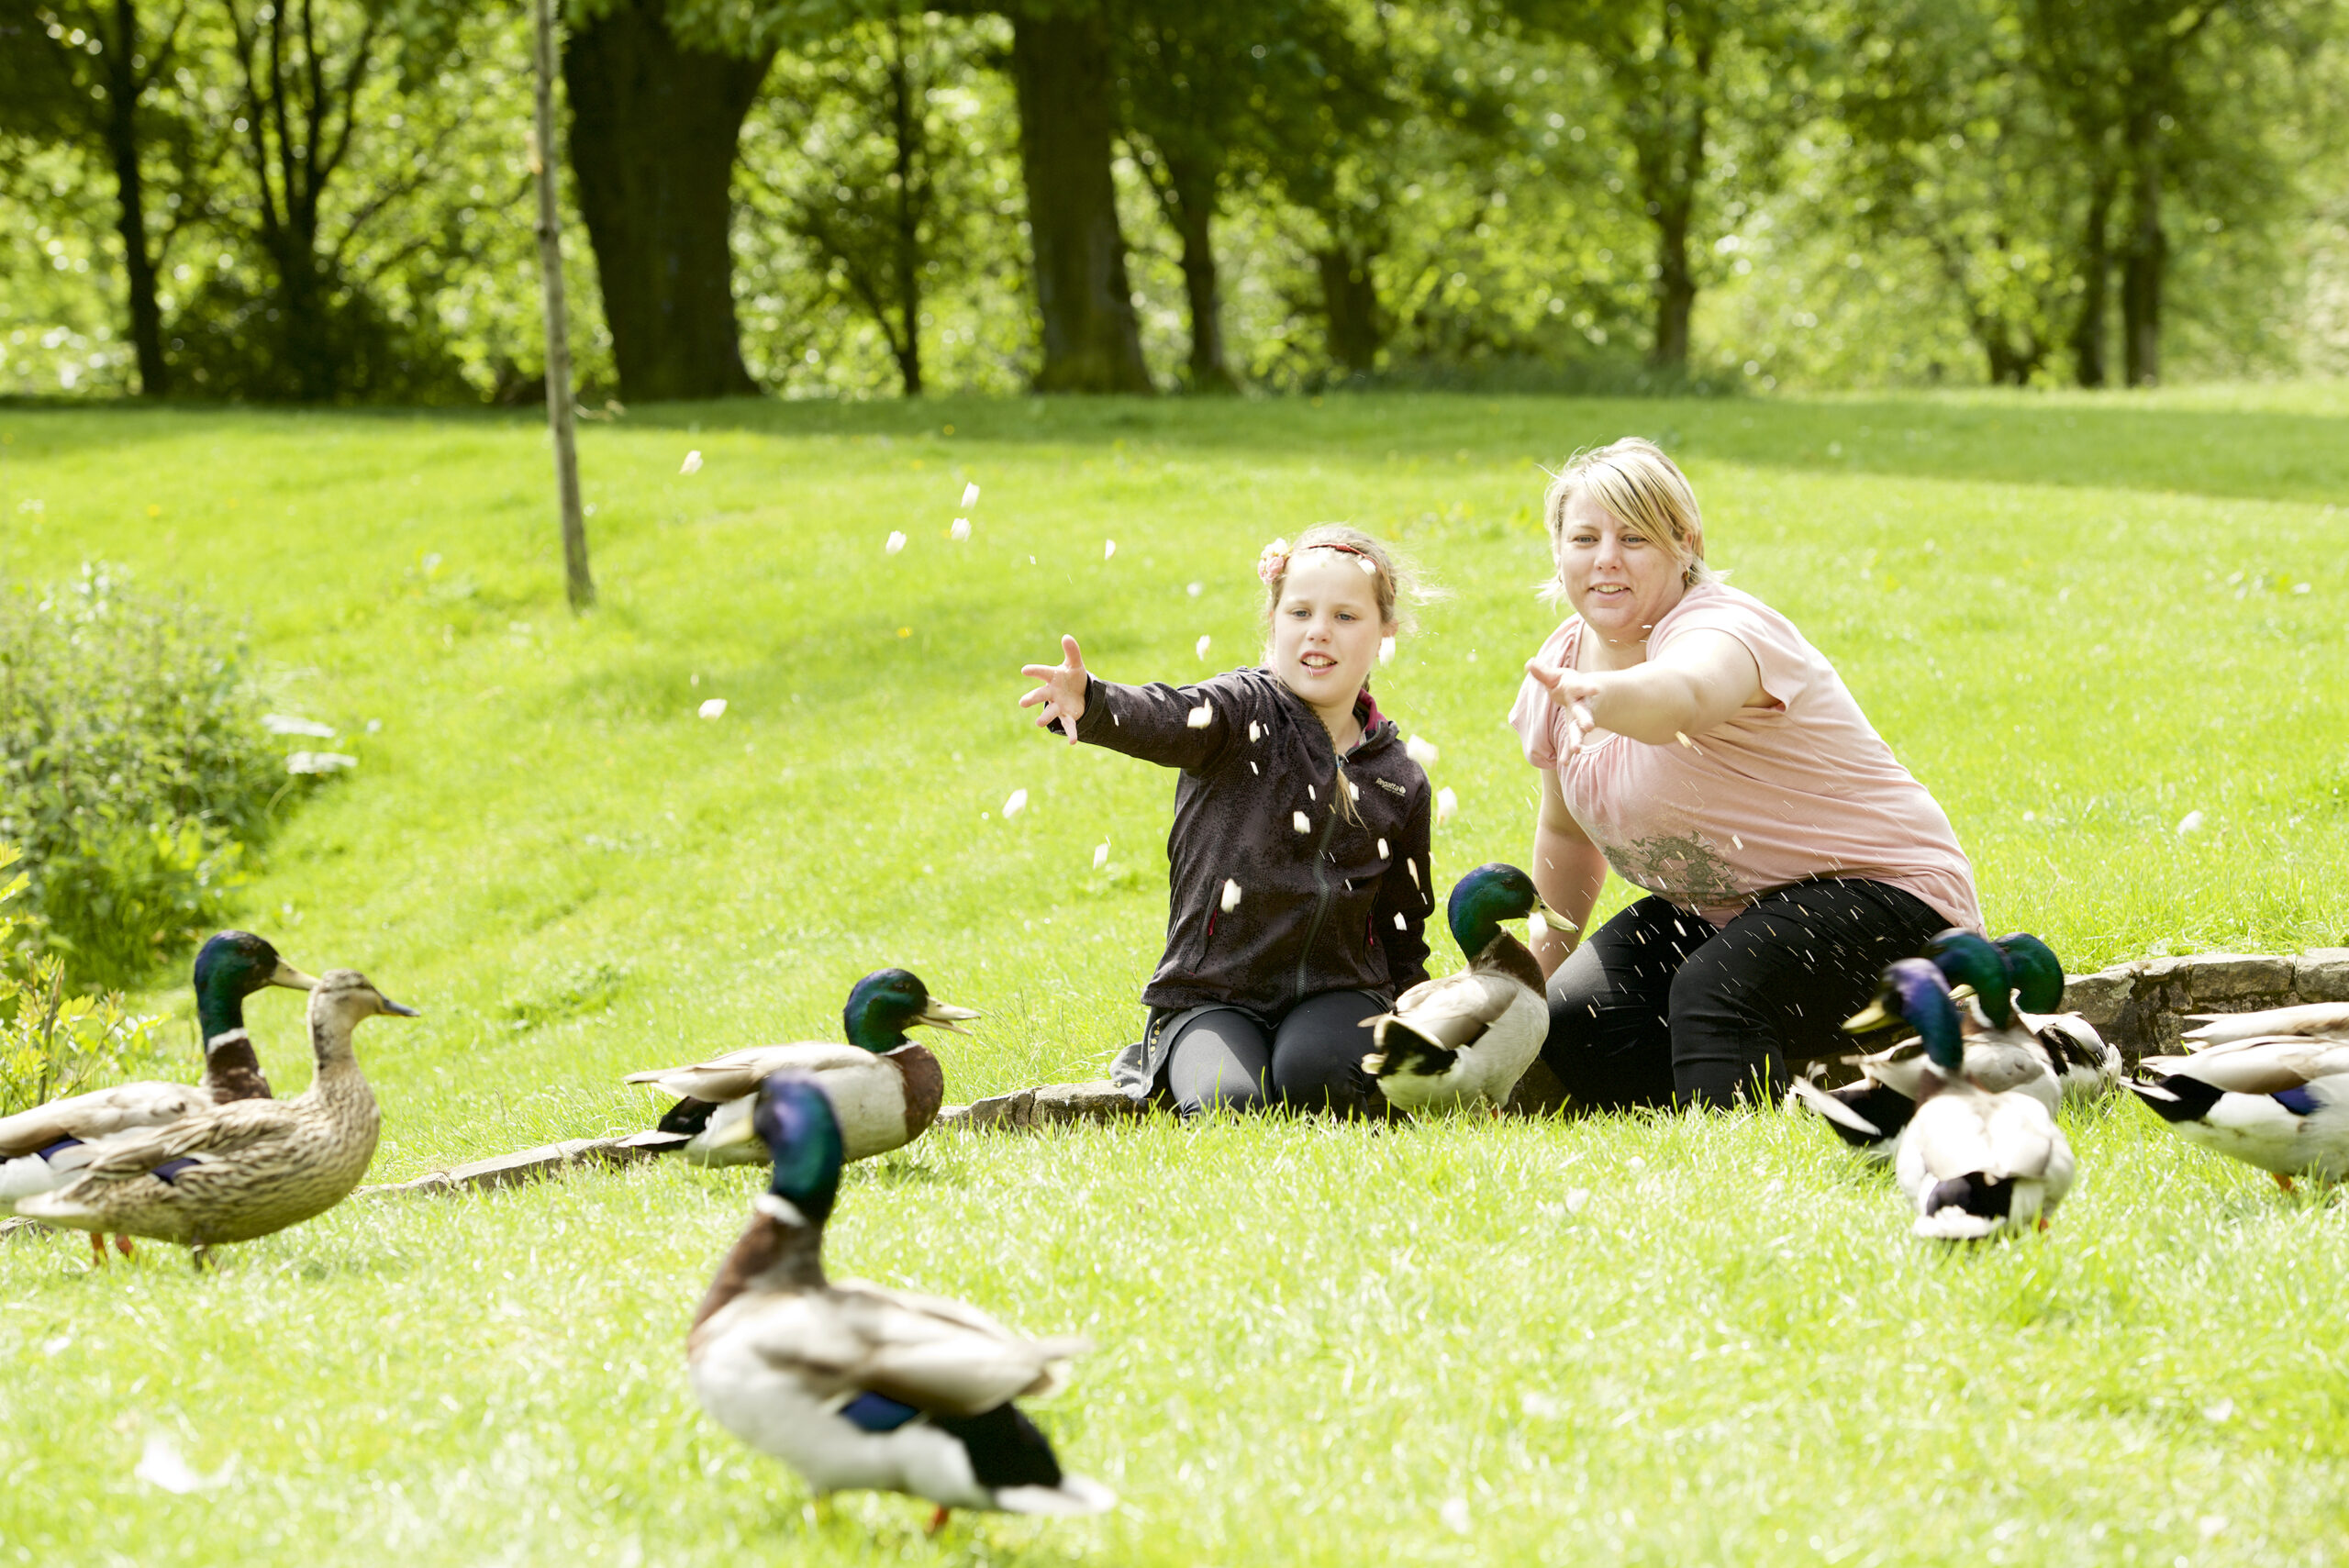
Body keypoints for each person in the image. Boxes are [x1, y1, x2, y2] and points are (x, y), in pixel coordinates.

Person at [1508, 438, 1981, 1110]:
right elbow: (1567, 837)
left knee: (1714, 991)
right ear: (1558, 549)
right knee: (1580, 1017)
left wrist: (1608, 697)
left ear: (1685, 542)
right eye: (1585, 537)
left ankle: (1740, 1164)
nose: (1606, 558)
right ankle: (1722, 1122)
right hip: (1729, 910)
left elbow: (1687, 694)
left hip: (1889, 900)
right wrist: (1530, 986)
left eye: (1634, 537)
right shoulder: (1558, 666)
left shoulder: (1724, 628)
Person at [1019, 526, 1434, 1116]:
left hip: (1339, 992)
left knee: (1320, 1082)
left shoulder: (1398, 777)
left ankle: (1333, 1063)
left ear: (1385, 632)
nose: (1319, 630)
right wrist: (1097, 702)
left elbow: (1402, 921)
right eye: (1300, 612)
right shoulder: (1242, 714)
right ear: (1274, 621)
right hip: (1212, 995)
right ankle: (1175, 1055)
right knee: (1227, 1104)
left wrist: (1414, 1013)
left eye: (1346, 616)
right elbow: (1170, 717)